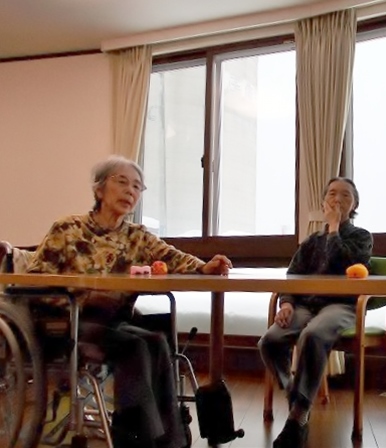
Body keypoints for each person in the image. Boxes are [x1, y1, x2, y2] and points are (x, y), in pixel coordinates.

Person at [27, 155, 232, 448]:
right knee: (134, 346)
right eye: (122, 182)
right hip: (68, 321)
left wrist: (204, 266)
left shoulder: (136, 236)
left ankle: (169, 439)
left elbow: (171, 256)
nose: (130, 191)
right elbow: (34, 281)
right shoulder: (68, 229)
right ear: (99, 189)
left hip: (113, 321)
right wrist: (80, 299)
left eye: (137, 186)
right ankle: (135, 438)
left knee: (157, 341)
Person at [258, 177, 373, 448]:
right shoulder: (311, 242)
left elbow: (347, 264)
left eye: (345, 195)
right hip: (305, 305)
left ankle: (297, 418)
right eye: (332, 193)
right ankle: (296, 395)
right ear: (323, 202)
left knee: (312, 334)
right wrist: (286, 303)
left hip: (342, 305)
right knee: (269, 341)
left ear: (354, 205)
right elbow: (292, 275)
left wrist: (334, 229)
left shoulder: (362, 237)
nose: (337, 199)